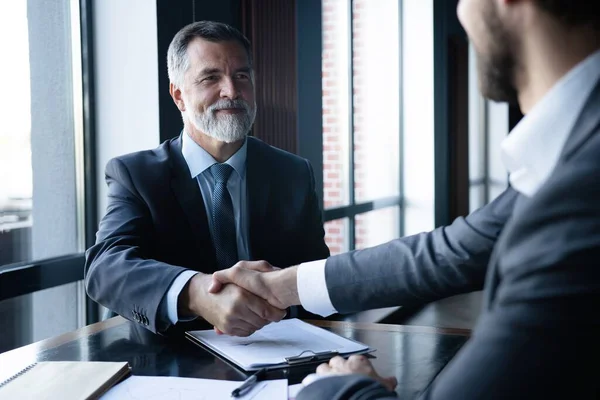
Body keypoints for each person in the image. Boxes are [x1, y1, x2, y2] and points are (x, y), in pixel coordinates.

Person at [209, 0, 600, 397]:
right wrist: (282, 286)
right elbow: (452, 250)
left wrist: (339, 388)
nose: (462, 15)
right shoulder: (571, 154)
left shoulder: (582, 190)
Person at [84, 21, 329, 336]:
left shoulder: (293, 172)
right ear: (179, 96)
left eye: (242, 76)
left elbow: (314, 276)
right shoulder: (137, 175)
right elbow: (105, 268)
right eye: (211, 77)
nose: (231, 91)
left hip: (279, 350)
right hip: (170, 359)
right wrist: (196, 293)